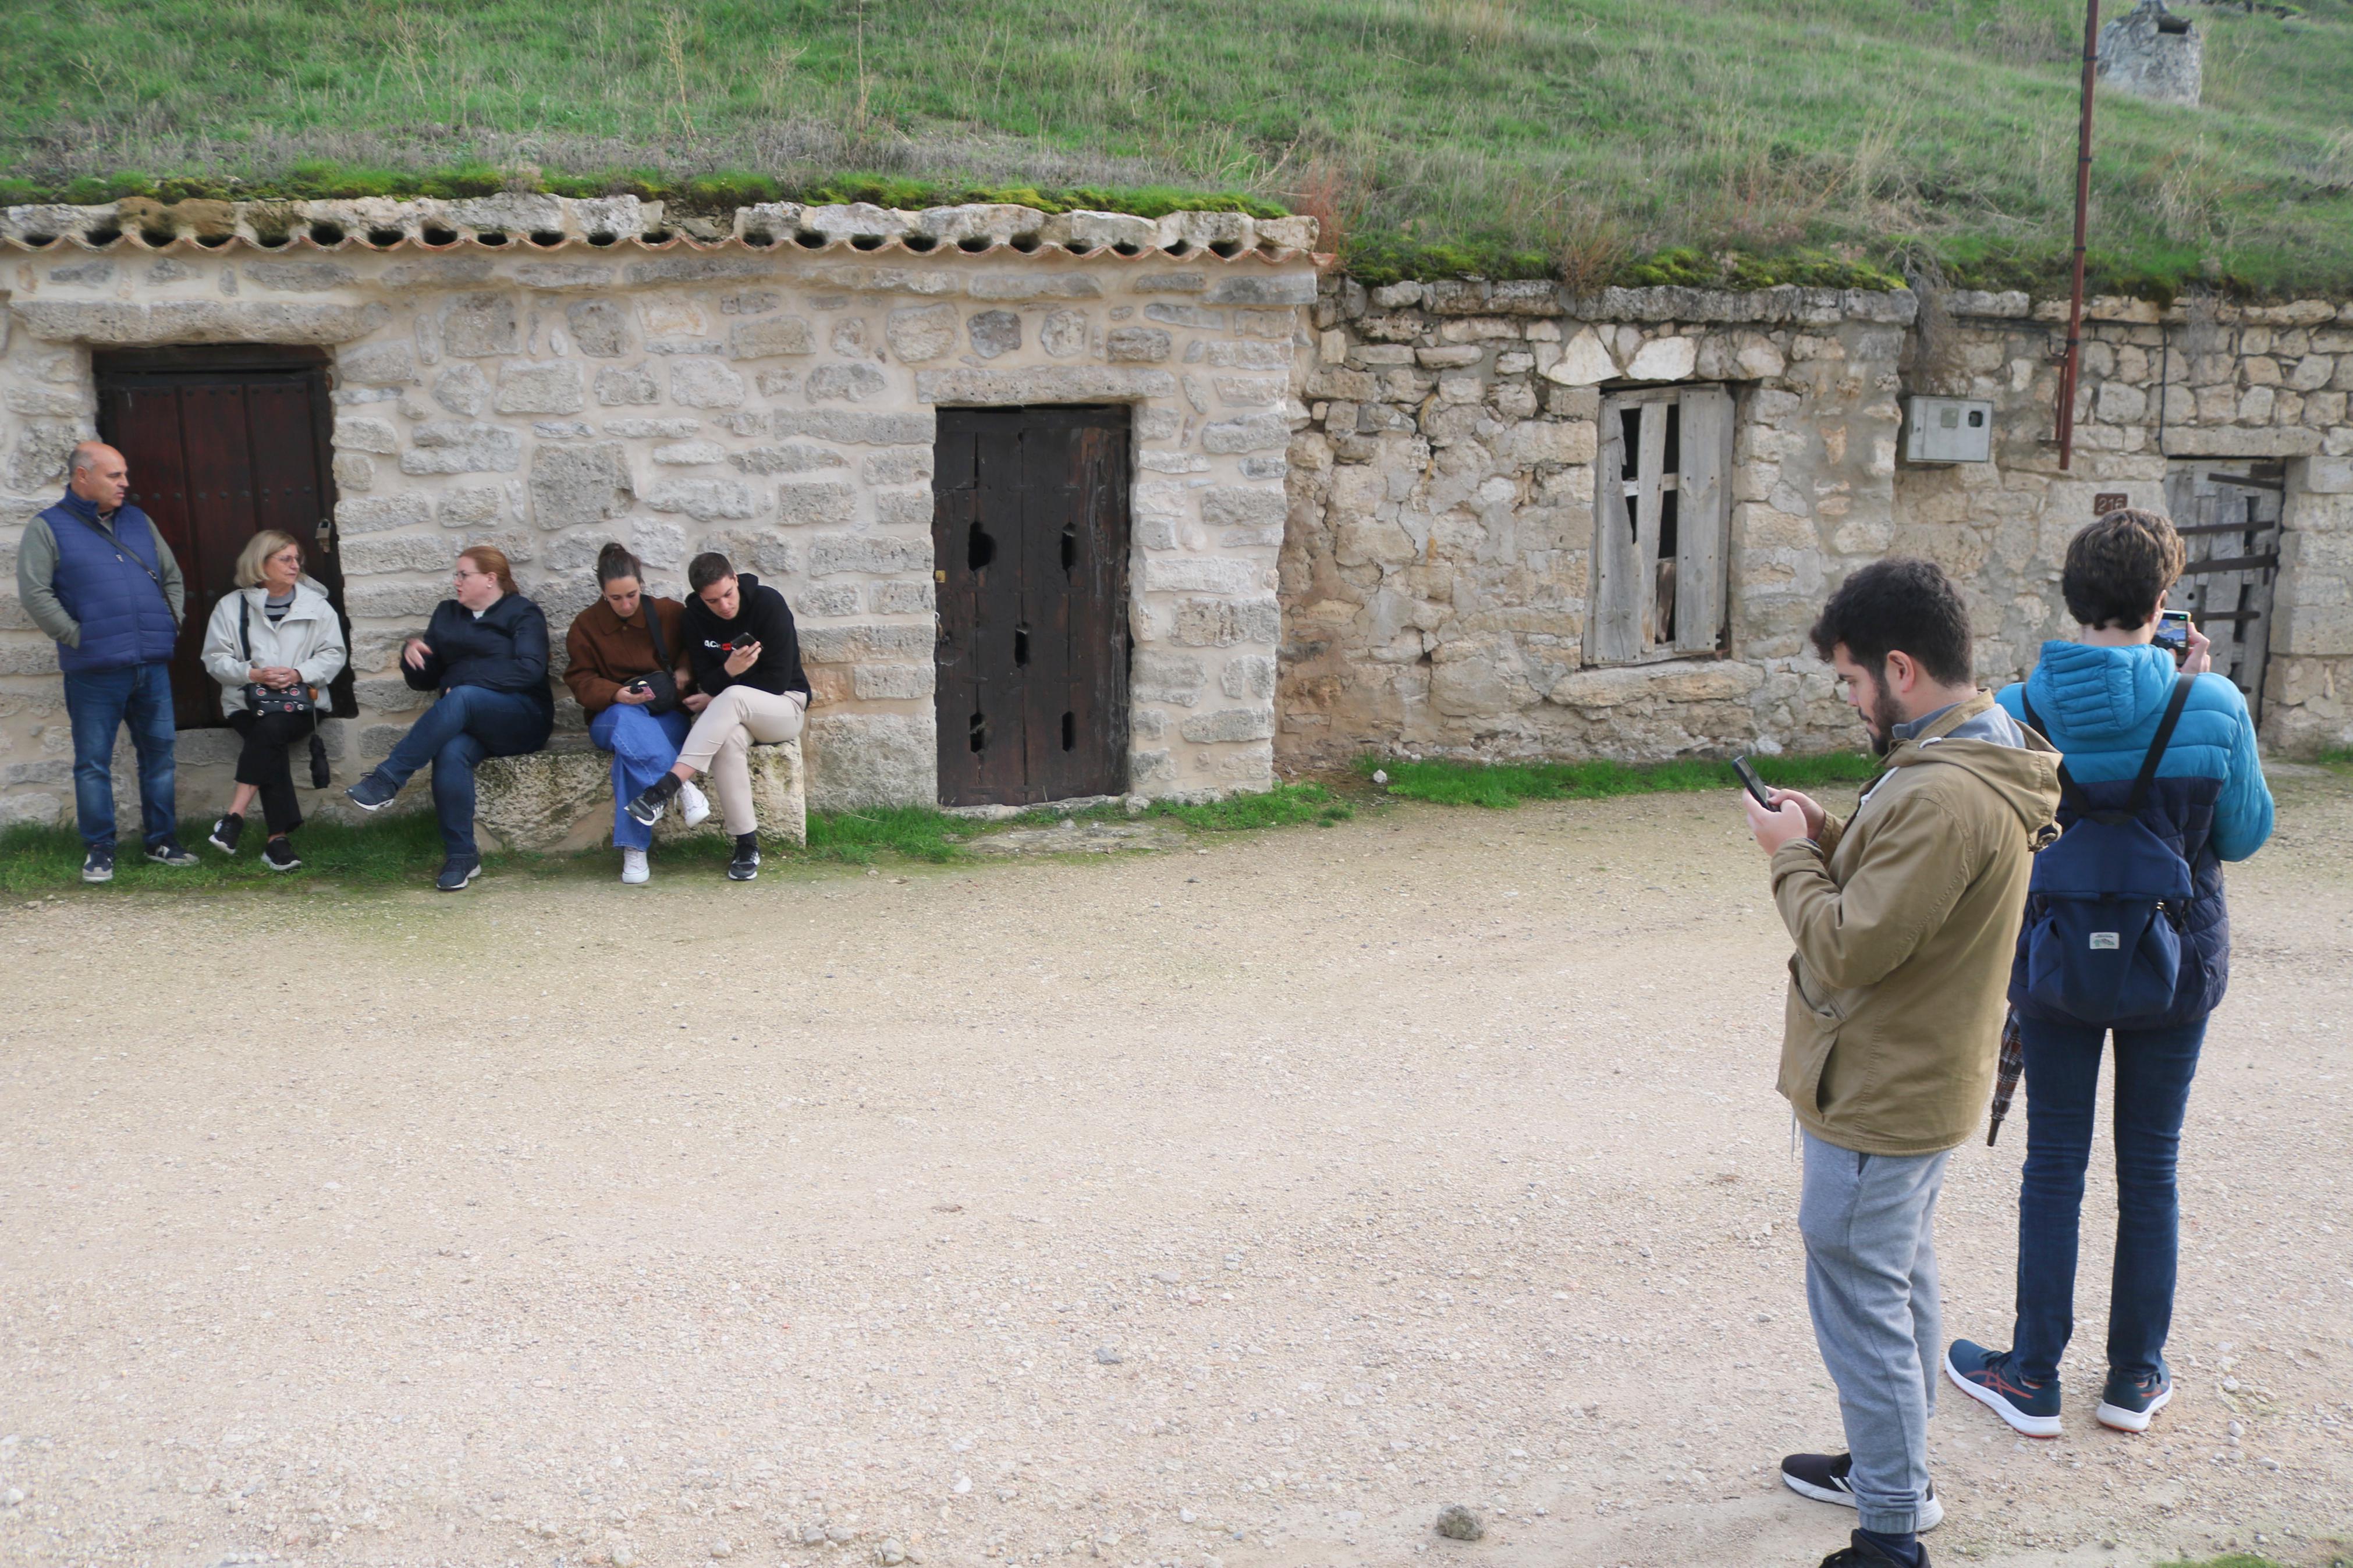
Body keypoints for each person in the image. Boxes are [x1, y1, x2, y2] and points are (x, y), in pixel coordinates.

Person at [1744, 558, 2060, 1568]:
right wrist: (1828, 831)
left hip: (1879, 1089)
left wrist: (1785, 858)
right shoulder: (1971, 752)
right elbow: (1907, 896)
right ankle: (1895, 1466)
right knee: (1899, 1275)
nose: (1846, 703)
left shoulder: (1940, 793)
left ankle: (1890, 1528)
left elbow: (1845, 946)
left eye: (1847, 682)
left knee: (1858, 1287)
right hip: (1922, 1077)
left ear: (1898, 668)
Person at [1945, 510, 2273, 1439]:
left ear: (2070, 598)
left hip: (2051, 959)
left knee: (2053, 1162)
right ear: (2161, 601)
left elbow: (1992, 843)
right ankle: (2132, 1375)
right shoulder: (2209, 702)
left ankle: (2031, 1373)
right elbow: (2243, 837)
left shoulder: (2015, 709)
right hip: (2172, 965)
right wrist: (2195, 694)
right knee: (2150, 1165)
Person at [14, 439, 200, 881]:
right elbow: (35, 592)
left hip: (150, 664)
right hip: (93, 669)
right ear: (83, 476)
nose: (125, 484)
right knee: (93, 762)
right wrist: (77, 637)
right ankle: (99, 848)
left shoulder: (137, 520)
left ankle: (161, 840)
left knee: (159, 757)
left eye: (124, 474)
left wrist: (169, 624)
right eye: (115, 475)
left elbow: (171, 576)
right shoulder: (48, 527)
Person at [344, 546, 552, 891]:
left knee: (465, 696)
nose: (456, 582)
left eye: (463, 575)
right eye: (456, 575)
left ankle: (387, 780)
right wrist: (413, 657)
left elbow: (530, 671)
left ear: (490, 579)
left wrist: (467, 683)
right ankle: (461, 856)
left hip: (522, 718)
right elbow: (427, 682)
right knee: (450, 750)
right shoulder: (447, 615)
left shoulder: (523, 613)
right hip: (468, 720)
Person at [624, 551, 808, 882]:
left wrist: (724, 684)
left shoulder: (767, 604)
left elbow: (777, 681)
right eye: (713, 601)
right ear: (700, 598)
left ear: (736, 580)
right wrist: (728, 670)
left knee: (733, 696)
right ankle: (746, 845)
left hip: (785, 706)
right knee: (727, 741)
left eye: (728, 594)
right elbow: (703, 681)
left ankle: (666, 787)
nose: (724, 606)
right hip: (734, 715)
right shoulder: (694, 618)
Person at [197, 530, 347, 871]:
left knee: (270, 731)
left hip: (301, 704)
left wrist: (297, 673)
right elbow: (214, 659)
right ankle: (276, 843)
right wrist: (254, 675)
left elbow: (334, 654)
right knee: (269, 737)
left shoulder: (316, 606)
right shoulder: (231, 607)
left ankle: (234, 817)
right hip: (246, 703)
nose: (295, 566)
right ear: (260, 564)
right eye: (286, 559)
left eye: (297, 559)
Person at [562, 542, 712, 884]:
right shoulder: (584, 626)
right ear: (603, 594)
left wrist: (686, 670)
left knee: (628, 758)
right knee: (627, 721)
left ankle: (634, 849)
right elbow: (579, 681)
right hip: (610, 718)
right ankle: (682, 788)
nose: (626, 604)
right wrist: (615, 693)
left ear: (642, 585)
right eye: (616, 599)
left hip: (665, 715)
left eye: (631, 595)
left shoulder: (668, 613)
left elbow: (697, 647)